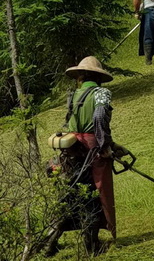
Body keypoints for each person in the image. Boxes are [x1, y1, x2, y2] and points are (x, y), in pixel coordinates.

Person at [45, 56, 128, 256]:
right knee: (93, 194)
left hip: (72, 149)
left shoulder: (74, 94)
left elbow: (71, 122)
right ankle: (91, 246)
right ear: (98, 77)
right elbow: (99, 117)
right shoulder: (102, 93)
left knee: (70, 194)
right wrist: (105, 144)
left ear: (81, 76)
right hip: (91, 150)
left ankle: (48, 242)